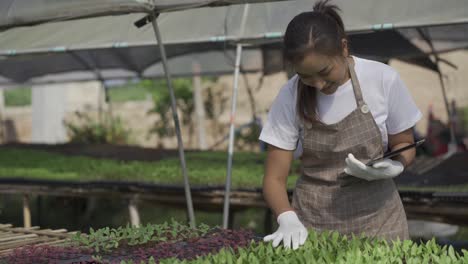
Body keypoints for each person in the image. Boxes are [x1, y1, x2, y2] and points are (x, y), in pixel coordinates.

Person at [259, 0, 422, 250]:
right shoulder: (289, 95)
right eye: (305, 76)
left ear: (343, 48)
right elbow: (273, 179)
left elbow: (404, 143)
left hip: (379, 222)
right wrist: (287, 217)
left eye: (325, 71)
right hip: (314, 224)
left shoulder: (381, 79)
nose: (318, 84)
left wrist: (396, 164)